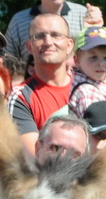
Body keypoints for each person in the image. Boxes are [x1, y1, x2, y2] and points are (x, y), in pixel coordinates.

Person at [8, 13, 74, 155]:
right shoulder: (20, 97)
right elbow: (34, 157)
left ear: (69, 45)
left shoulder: (86, 88)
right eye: (39, 36)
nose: (48, 42)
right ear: (29, 47)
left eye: (56, 35)